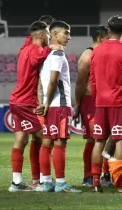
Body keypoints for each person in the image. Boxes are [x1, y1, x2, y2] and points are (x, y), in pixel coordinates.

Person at [90, 15, 122, 193]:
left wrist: (97, 98)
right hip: (120, 102)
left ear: (108, 30)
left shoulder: (96, 50)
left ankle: (95, 181)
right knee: (121, 140)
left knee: (99, 141)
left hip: (100, 102)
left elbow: (93, 79)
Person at [8, 21, 58, 192]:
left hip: (15, 101)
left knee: (21, 140)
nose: (50, 38)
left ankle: (16, 182)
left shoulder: (24, 48)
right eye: (48, 35)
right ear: (43, 36)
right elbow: (40, 57)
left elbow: (32, 37)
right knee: (46, 137)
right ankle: (44, 181)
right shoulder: (35, 51)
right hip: (26, 103)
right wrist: (53, 47)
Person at [36, 21, 80, 193]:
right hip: (59, 105)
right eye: (66, 33)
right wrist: (46, 102)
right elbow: (54, 80)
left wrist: (43, 101)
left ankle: (46, 182)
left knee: (46, 143)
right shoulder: (57, 55)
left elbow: (41, 81)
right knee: (60, 143)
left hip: (50, 105)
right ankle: (60, 183)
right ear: (54, 34)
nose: (69, 37)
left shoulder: (44, 55)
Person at [73, 25, 108, 187]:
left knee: (108, 138)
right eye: (108, 38)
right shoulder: (87, 56)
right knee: (93, 139)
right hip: (90, 101)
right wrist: (78, 105)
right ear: (101, 38)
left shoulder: (106, 54)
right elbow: (80, 83)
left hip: (106, 100)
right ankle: (88, 176)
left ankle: (106, 175)